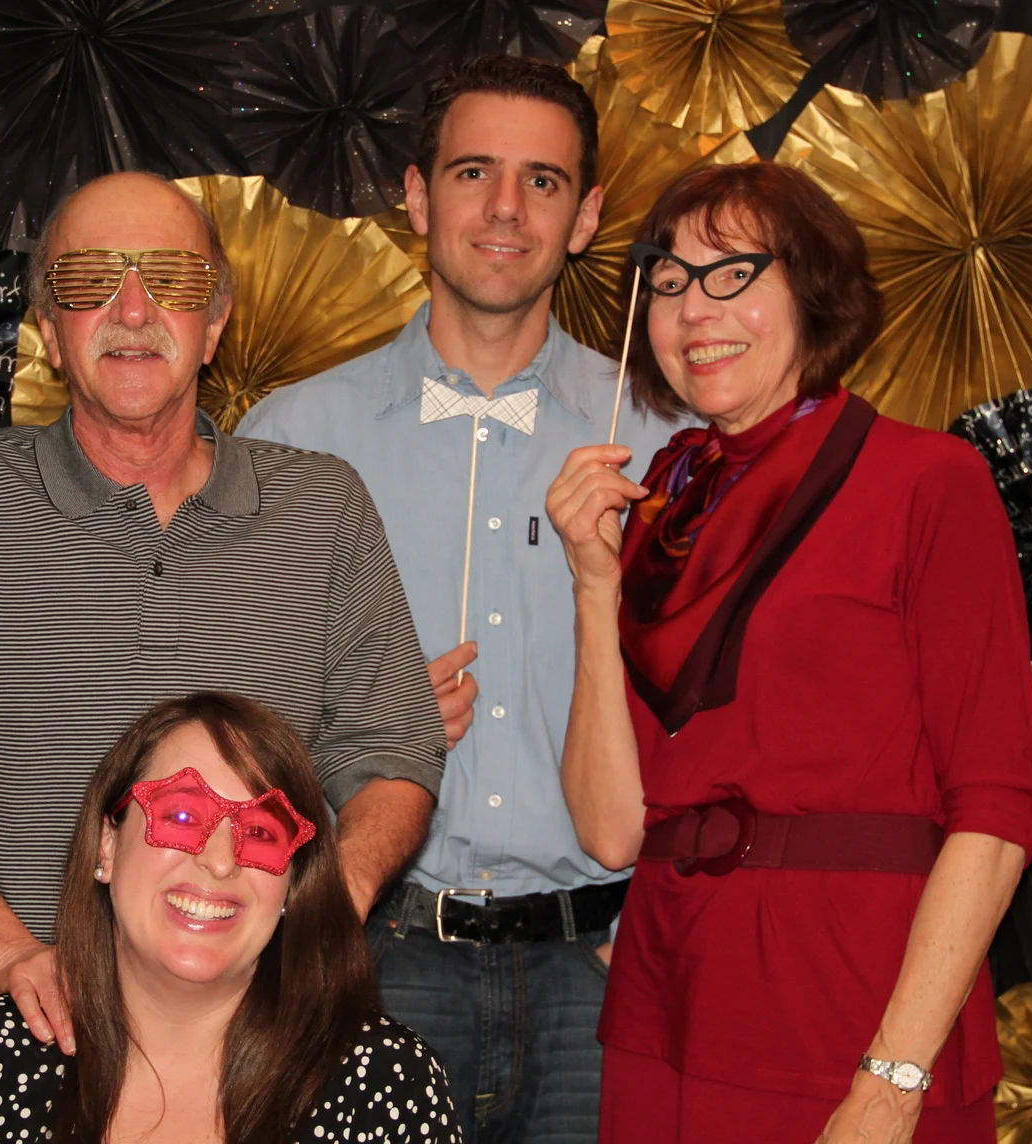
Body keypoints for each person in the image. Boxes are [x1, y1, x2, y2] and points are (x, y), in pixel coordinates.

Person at [0, 172, 447, 1111]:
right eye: (89, 280)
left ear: (216, 321)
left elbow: (396, 754)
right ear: (49, 327)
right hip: (11, 1007)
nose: (131, 309)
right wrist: (8, 955)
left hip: (255, 1019)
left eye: (170, 279)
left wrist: (319, 921)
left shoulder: (323, 507)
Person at [545, 161, 1032, 1144]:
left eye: (734, 272)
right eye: (670, 279)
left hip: (853, 1003)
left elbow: (995, 812)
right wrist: (592, 586)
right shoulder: (662, 507)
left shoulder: (926, 480)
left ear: (814, 290)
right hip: (666, 996)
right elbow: (610, 832)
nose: (695, 309)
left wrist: (893, 1079)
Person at [238, 55, 679, 1142]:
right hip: (369, 959)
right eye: (474, 171)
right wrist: (350, 736)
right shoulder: (291, 439)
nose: (504, 208)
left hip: (600, 974)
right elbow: (223, 717)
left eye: (542, 180)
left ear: (586, 218)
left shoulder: (664, 441)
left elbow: (722, 717)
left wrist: (666, 915)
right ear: (417, 196)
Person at [0, 691, 464, 1144]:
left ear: (292, 883)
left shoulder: (384, 1083)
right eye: (181, 816)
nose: (220, 860)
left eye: (261, 832)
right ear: (107, 846)